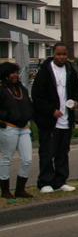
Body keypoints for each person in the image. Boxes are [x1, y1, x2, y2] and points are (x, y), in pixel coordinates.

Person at [31, 43, 78, 193]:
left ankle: (60, 181)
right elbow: (37, 97)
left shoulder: (70, 71)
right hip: (49, 122)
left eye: (64, 54)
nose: (62, 57)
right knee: (47, 153)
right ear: (53, 54)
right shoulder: (44, 72)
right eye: (59, 54)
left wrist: (76, 102)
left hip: (66, 120)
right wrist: (51, 110)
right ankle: (45, 182)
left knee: (62, 152)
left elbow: (77, 91)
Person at [0, 62, 34, 199]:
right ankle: (5, 190)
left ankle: (20, 189)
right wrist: (7, 116)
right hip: (9, 128)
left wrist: (29, 114)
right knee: (6, 159)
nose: (15, 75)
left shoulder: (22, 89)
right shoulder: (2, 90)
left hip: (24, 128)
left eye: (16, 72)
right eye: (12, 73)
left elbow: (29, 105)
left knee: (27, 159)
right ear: (5, 74)